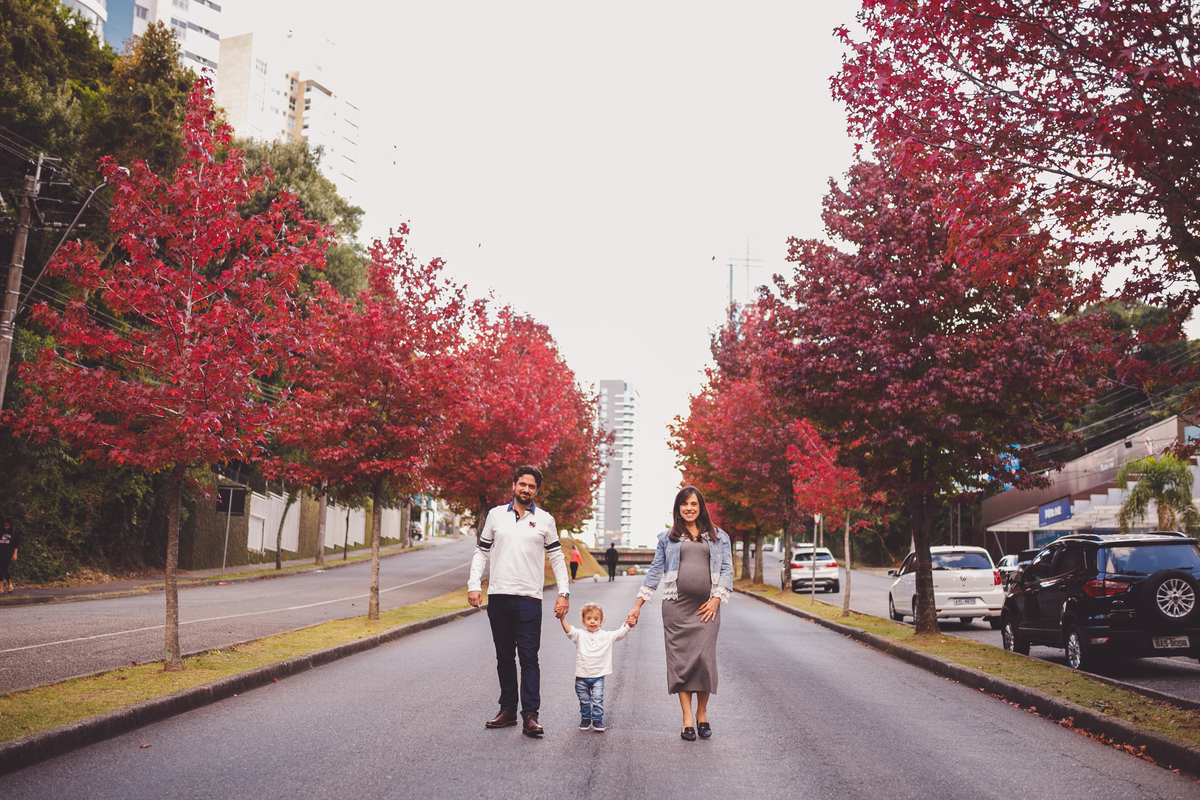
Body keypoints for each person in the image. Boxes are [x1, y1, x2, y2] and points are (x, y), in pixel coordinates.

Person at [468, 465, 570, 738]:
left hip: (529, 599)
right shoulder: (495, 515)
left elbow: (557, 557)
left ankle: (530, 716)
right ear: (514, 485)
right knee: (504, 657)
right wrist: (474, 584)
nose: (526, 489)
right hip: (499, 596)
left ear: (537, 491)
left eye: (531, 486)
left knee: (528, 658)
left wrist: (563, 592)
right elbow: (481, 552)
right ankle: (508, 710)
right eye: (522, 484)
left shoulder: (545, 520)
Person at [626, 486, 732, 741]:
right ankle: (687, 718)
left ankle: (702, 713)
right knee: (681, 663)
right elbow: (655, 571)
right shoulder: (668, 538)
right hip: (676, 609)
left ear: (701, 506)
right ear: (678, 508)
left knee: (704, 660)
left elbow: (727, 569)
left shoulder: (719, 536)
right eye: (684, 504)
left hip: (706, 609)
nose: (689, 508)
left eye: (694, 504)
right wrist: (638, 605)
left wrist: (716, 599)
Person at [561, 602, 630, 732]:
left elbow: (619, 633)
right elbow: (568, 631)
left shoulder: (606, 636)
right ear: (583, 621)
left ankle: (597, 720)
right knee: (584, 700)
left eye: (596, 619)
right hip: (581, 676)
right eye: (589, 618)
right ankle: (585, 718)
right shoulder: (580, 635)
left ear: (601, 621)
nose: (592, 621)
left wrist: (628, 624)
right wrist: (562, 618)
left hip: (598, 676)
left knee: (597, 699)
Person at [0, 516, 19, 594]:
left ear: (10, 525)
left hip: (7, 553)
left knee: (4, 569)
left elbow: (16, 545)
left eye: (8, 525)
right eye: (5, 525)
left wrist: (15, 554)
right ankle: (1, 587)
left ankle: (9, 584)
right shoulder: (1, 530)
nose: (6, 527)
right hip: (0, 552)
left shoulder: (14, 532)